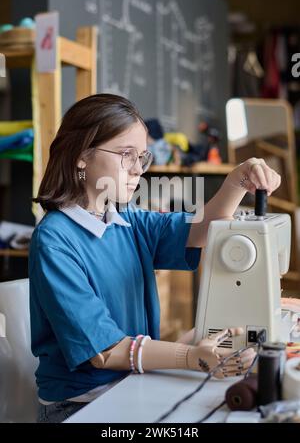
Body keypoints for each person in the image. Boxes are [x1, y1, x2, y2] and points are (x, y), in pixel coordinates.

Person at [30, 94, 281, 423]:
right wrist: (189, 356)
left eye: (142, 158)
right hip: (79, 405)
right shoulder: (55, 240)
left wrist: (237, 181)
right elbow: (105, 352)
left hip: (131, 384)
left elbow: (201, 231)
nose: (137, 170)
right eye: (126, 155)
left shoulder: (125, 219)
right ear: (82, 156)